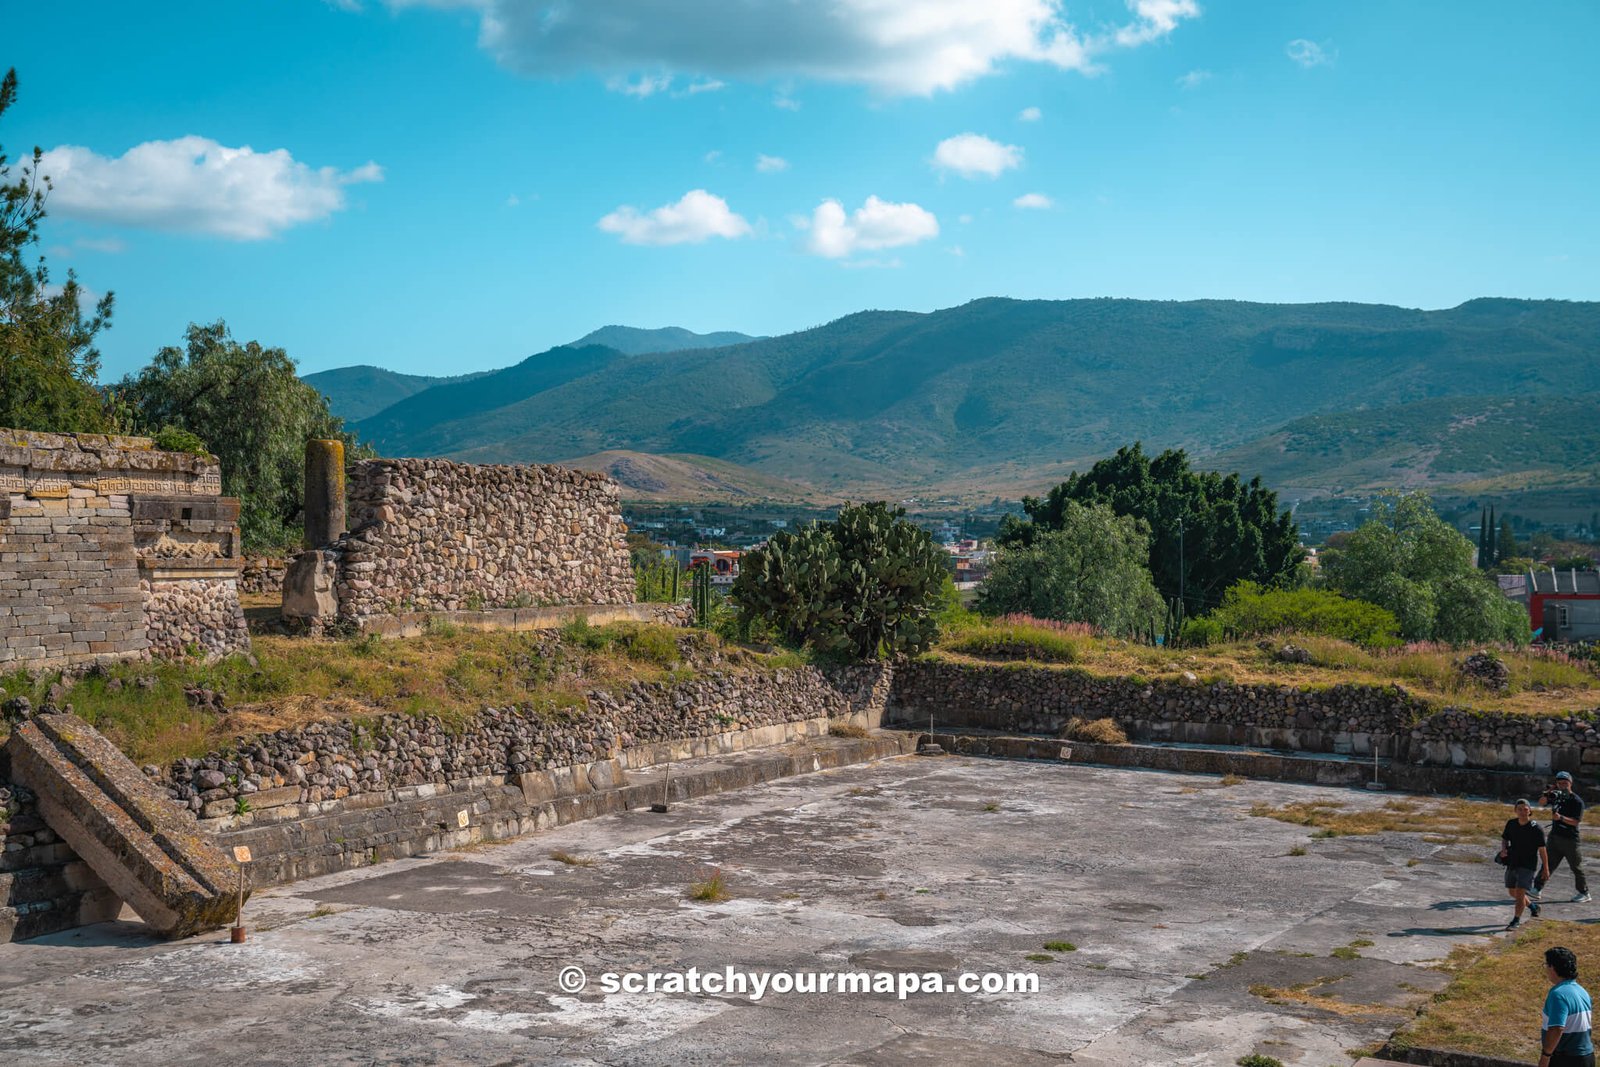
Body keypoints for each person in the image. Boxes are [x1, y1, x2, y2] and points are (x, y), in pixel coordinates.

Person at [1535, 771, 1592, 904]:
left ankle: (1584, 892)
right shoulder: (1557, 796)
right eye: (1560, 783)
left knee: (1576, 867)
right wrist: (1547, 793)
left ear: (1570, 783)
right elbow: (1541, 802)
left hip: (1570, 839)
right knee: (1548, 863)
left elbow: (1576, 821)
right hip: (1555, 837)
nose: (1562, 786)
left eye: (1565, 783)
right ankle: (1536, 888)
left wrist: (1560, 818)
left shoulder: (1576, 801)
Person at [1540, 945, 1594, 1067]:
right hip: (1587, 1057)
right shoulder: (1582, 992)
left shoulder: (1558, 994)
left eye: (1546, 965)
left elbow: (1557, 1028)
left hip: (1566, 1059)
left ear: (1552, 967)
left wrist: (1546, 1056)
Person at [1503, 799, 1551, 929]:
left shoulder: (1536, 829)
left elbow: (1542, 849)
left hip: (1528, 865)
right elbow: (1505, 838)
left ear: (1530, 811)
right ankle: (1533, 906)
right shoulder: (1511, 824)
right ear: (1515, 811)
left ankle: (1516, 920)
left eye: (1525, 809)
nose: (1523, 812)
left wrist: (1546, 868)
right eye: (1520, 809)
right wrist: (1504, 849)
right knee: (1512, 892)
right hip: (1513, 862)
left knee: (1519, 894)